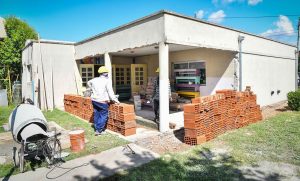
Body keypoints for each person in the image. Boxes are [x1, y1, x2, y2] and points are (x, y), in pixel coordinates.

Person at [87, 66, 119, 136]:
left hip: (94, 100)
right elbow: (110, 92)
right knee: (103, 115)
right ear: (106, 73)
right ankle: (99, 130)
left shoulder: (94, 80)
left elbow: (88, 82)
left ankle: (96, 128)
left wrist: (92, 89)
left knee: (96, 114)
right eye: (107, 73)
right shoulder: (107, 80)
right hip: (102, 101)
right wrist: (115, 100)